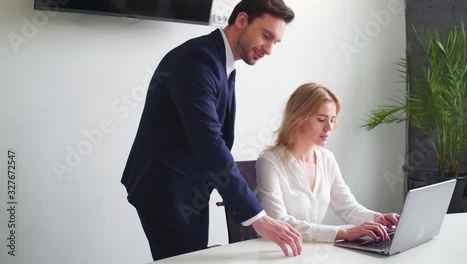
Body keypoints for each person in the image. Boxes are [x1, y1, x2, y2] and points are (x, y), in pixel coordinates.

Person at [121, 0, 302, 260]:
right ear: (242, 20)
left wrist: (225, 189)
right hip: (167, 191)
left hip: (189, 189)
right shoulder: (198, 60)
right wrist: (257, 217)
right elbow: (209, 142)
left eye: (276, 42)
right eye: (266, 36)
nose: (270, 49)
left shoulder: (220, 61)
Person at [256, 83, 400, 243]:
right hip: (276, 251)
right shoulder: (270, 162)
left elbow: (348, 207)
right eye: (321, 119)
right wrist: (342, 232)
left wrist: (378, 219)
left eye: (332, 120)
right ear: (298, 118)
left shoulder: (326, 158)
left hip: (311, 251)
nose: (329, 127)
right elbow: (279, 221)